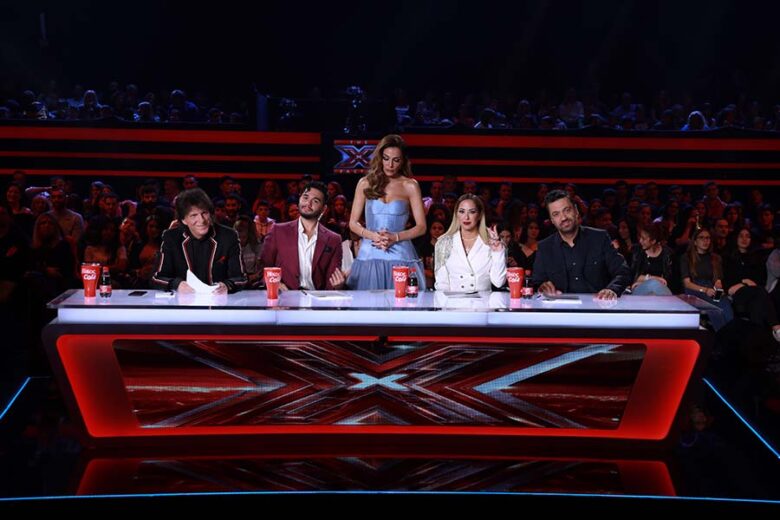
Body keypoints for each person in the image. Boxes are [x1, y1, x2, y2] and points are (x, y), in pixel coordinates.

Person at [347, 134, 427, 289]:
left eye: (396, 160)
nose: (390, 164)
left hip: (401, 253)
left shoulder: (410, 185)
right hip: (370, 252)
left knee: (403, 301)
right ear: (380, 158)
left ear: (402, 161)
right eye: (386, 158)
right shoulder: (365, 183)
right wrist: (373, 236)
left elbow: (421, 227)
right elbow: (353, 223)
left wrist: (395, 237)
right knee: (367, 301)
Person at [532, 190, 631, 299]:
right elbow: (537, 282)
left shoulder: (599, 238)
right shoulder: (545, 247)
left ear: (576, 211)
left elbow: (622, 271)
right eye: (556, 214)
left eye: (567, 210)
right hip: (560, 307)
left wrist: (612, 289)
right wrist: (542, 287)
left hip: (597, 305)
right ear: (552, 220)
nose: (563, 218)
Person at [151, 188, 247, 294]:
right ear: (183, 220)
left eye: (204, 213)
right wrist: (177, 284)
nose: (201, 220)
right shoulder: (171, 238)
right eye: (194, 215)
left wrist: (227, 285)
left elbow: (241, 278)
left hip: (219, 301)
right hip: (184, 302)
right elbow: (157, 278)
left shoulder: (229, 236)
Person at [261, 181, 344, 290]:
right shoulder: (278, 231)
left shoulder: (333, 239)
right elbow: (263, 267)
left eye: (315, 201)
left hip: (317, 297)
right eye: (305, 198)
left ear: (323, 209)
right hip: (286, 296)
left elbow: (332, 280)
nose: (308, 203)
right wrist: (276, 284)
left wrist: (337, 287)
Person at [434, 194, 505, 292]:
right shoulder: (444, 243)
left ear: (479, 215)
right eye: (462, 211)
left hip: (483, 300)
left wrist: (498, 252)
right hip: (453, 300)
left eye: (472, 212)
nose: (466, 217)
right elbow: (442, 284)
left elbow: (498, 282)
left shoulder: (491, 243)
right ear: (456, 214)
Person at [681, 226, 733, 331]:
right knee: (714, 308)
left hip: (711, 288)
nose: (705, 241)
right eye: (702, 238)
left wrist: (718, 286)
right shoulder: (687, 257)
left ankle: (731, 333)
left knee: (724, 302)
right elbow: (687, 283)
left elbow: (718, 280)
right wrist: (705, 290)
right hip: (695, 289)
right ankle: (721, 335)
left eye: (708, 238)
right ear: (695, 242)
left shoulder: (715, 258)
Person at [629, 223, 675, 295]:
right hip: (639, 289)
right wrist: (652, 278)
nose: (640, 241)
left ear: (653, 241)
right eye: (640, 237)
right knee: (653, 284)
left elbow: (669, 280)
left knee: (655, 288)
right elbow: (631, 276)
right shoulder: (636, 251)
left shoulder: (667, 254)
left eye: (643, 239)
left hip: (660, 290)